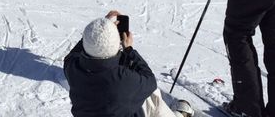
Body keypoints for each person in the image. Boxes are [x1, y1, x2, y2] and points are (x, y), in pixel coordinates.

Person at [63, 11, 192, 117]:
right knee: (151, 98)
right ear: (116, 45)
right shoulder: (123, 79)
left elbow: (73, 54)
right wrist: (129, 50)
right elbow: (150, 81)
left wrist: (96, 34)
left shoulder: (72, 68)